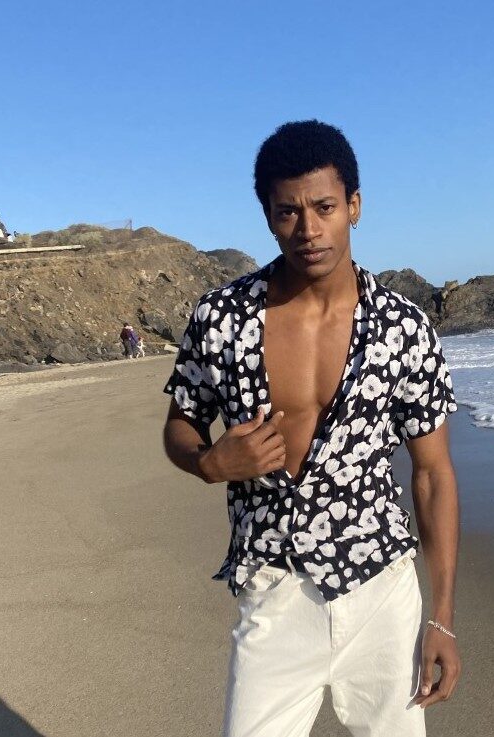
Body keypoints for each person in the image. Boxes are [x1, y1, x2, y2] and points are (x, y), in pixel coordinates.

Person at [162, 120, 461, 737]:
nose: (308, 229)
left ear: (354, 205)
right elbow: (181, 422)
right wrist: (208, 463)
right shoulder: (222, 318)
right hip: (274, 588)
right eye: (287, 212)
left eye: (324, 207)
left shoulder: (403, 330)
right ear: (268, 216)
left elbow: (432, 474)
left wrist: (444, 618)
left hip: (381, 589)